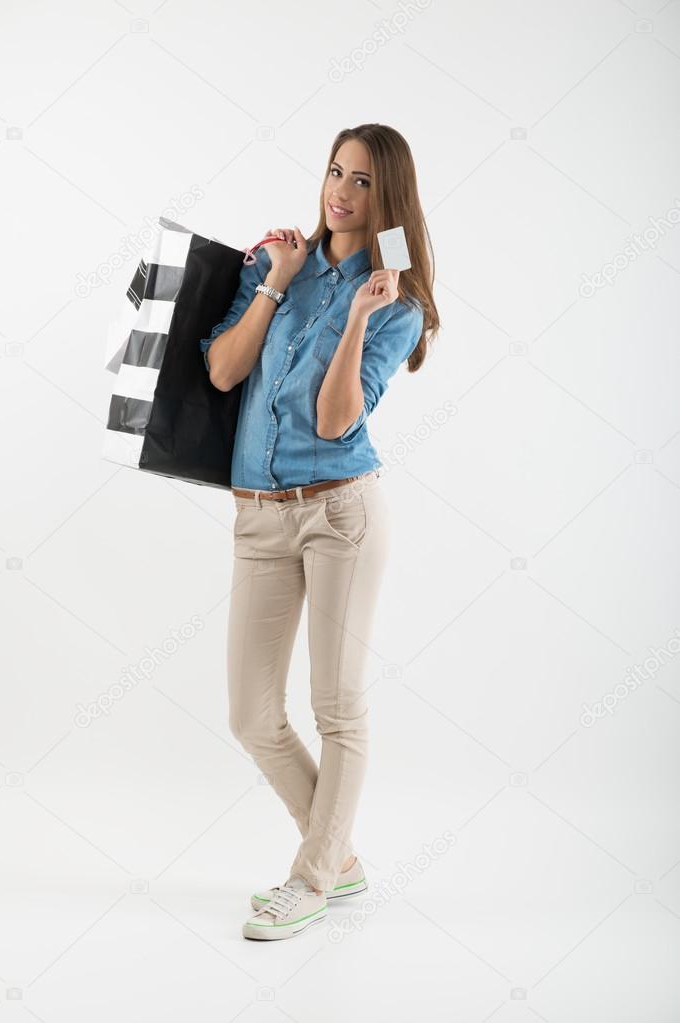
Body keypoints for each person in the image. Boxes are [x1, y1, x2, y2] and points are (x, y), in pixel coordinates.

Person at [198, 123, 439, 941]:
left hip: (342, 512)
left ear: (390, 196)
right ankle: (336, 857)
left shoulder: (398, 303)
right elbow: (225, 370)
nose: (341, 191)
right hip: (258, 514)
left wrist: (362, 319)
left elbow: (338, 422)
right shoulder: (281, 265)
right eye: (336, 171)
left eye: (363, 181)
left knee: (336, 705)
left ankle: (309, 878)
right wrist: (274, 282)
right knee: (251, 714)